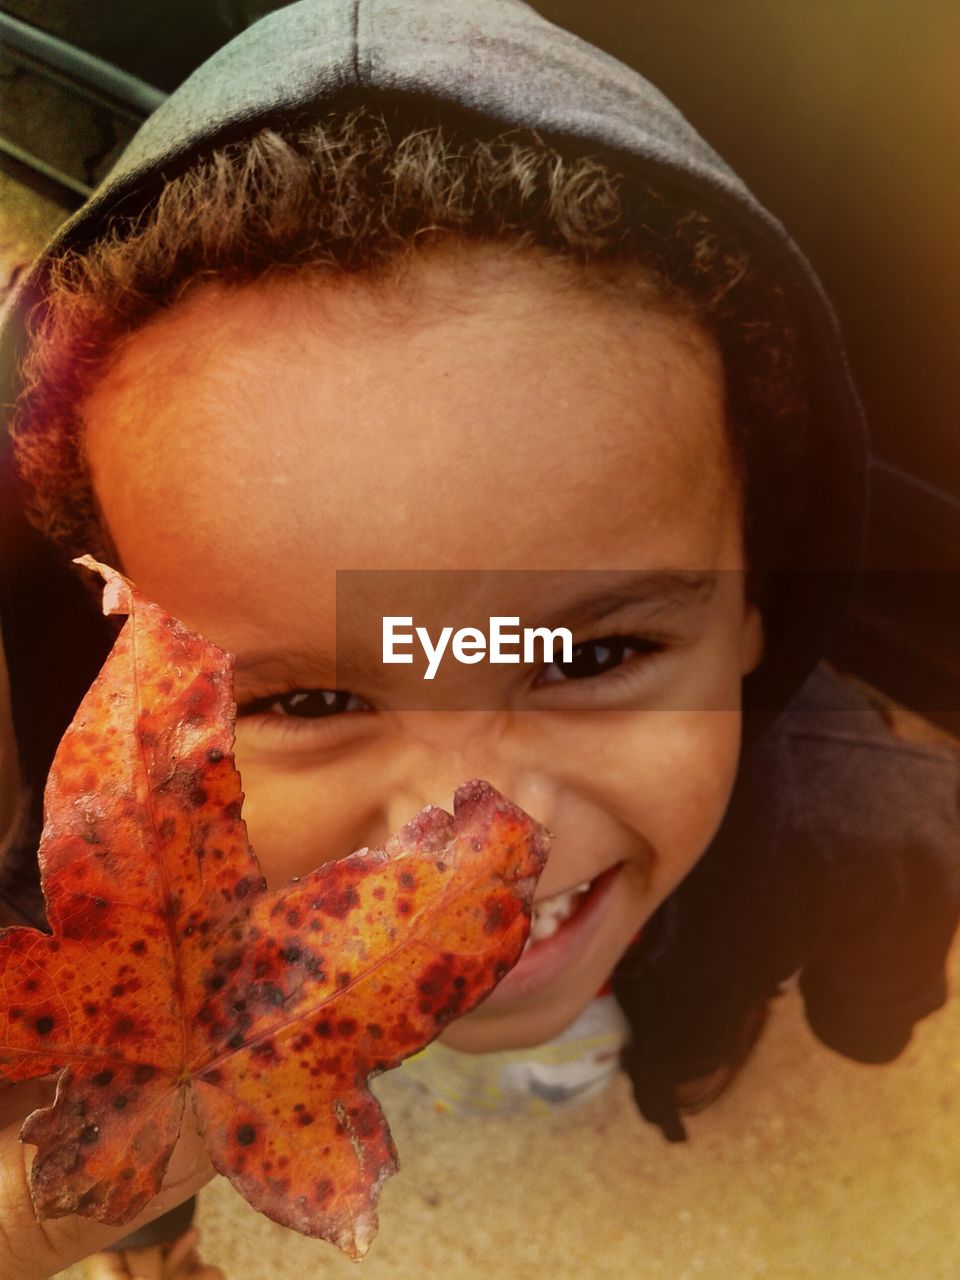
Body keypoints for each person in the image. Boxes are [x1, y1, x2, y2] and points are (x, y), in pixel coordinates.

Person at [0, 1, 958, 1277]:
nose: (481, 841)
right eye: (313, 696)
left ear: (756, 604)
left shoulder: (886, 822)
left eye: (588, 656)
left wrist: (853, 1031)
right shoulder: (80, 929)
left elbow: (882, 970)